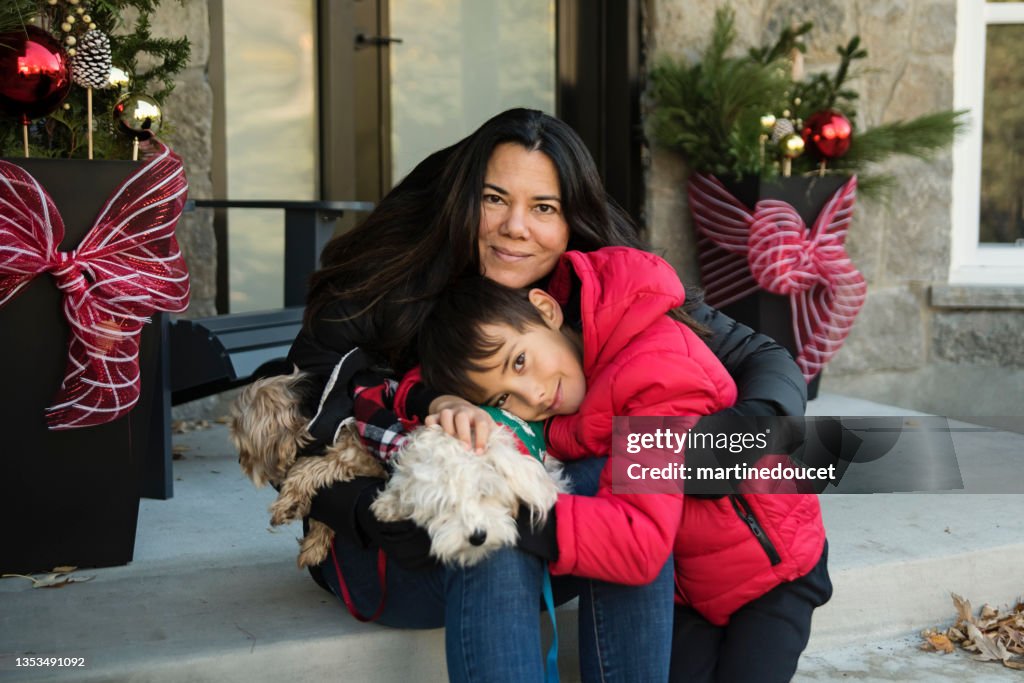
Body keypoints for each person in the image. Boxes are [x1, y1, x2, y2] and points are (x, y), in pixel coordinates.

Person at [274, 108, 808, 682]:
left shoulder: (595, 291)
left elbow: (764, 359)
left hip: (580, 517)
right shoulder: (386, 282)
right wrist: (376, 508)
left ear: (571, 221)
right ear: (461, 198)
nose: (516, 227)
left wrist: (722, 447)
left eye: (544, 208)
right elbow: (289, 433)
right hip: (383, 540)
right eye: (494, 199)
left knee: (617, 474)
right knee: (494, 532)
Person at [417, 247, 832, 683]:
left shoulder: (654, 371)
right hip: (689, 587)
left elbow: (639, 543)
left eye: (519, 361)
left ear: (545, 309)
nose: (531, 396)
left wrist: (516, 514)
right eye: (503, 399)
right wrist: (439, 401)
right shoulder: (571, 383)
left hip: (773, 570)